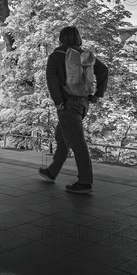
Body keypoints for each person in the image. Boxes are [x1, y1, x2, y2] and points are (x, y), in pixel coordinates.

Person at [39, 26, 108, 194]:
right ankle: (52, 171)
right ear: (78, 38)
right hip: (83, 102)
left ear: (61, 38)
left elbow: (51, 80)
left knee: (77, 143)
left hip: (67, 104)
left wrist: (58, 102)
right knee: (61, 137)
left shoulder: (56, 56)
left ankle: (85, 182)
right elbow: (103, 70)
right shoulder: (84, 55)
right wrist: (97, 95)